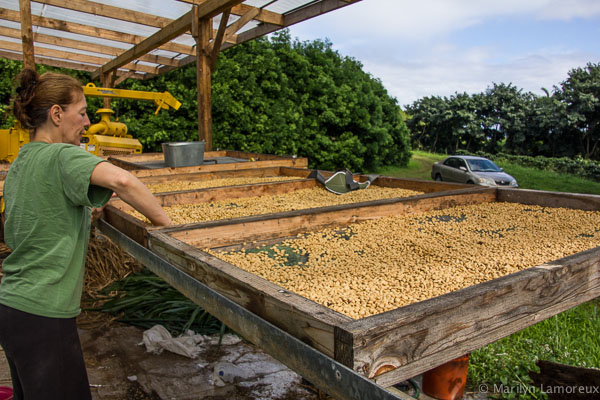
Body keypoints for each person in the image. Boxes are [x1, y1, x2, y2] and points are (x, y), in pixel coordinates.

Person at [0, 69, 172, 400]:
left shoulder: (21, 160)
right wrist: (165, 222)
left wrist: (81, 211)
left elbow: (27, 219)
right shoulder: (62, 155)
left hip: (13, 306)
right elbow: (124, 181)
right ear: (56, 114)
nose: (88, 121)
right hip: (43, 314)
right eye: (81, 113)